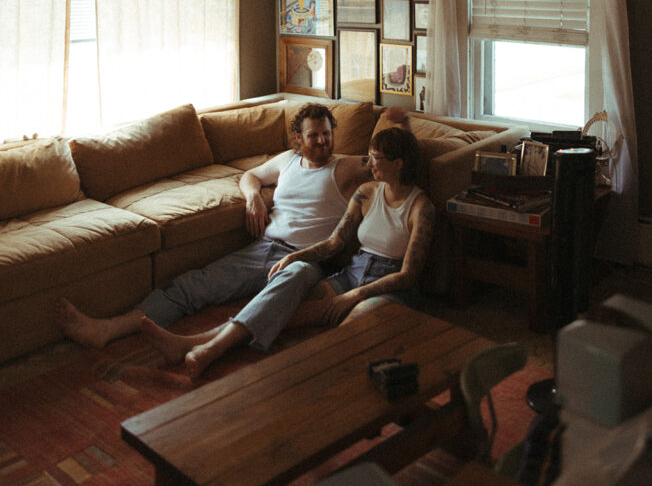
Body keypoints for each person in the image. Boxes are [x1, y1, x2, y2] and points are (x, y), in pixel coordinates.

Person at [55, 103, 407, 352]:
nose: (322, 142)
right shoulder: (287, 161)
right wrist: (254, 197)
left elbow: (389, 160)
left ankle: (209, 343)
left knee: (293, 280)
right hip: (263, 249)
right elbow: (249, 176)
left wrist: (397, 123)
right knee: (195, 285)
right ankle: (108, 328)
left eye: (327, 134)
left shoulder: (344, 167)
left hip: (308, 258)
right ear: (299, 138)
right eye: (313, 136)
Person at [140, 125, 435, 382]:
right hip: (351, 275)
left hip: (389, 287)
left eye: (376, 158)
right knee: (278, 309)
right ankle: (197, 346)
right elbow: (334, 243)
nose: (368, 164)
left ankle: (320, 387)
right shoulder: (367, 192)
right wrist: (294, 257)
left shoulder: (422, 208)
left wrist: (354, 296)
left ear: (398, 163)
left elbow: (408, 275)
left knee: (347, 334)